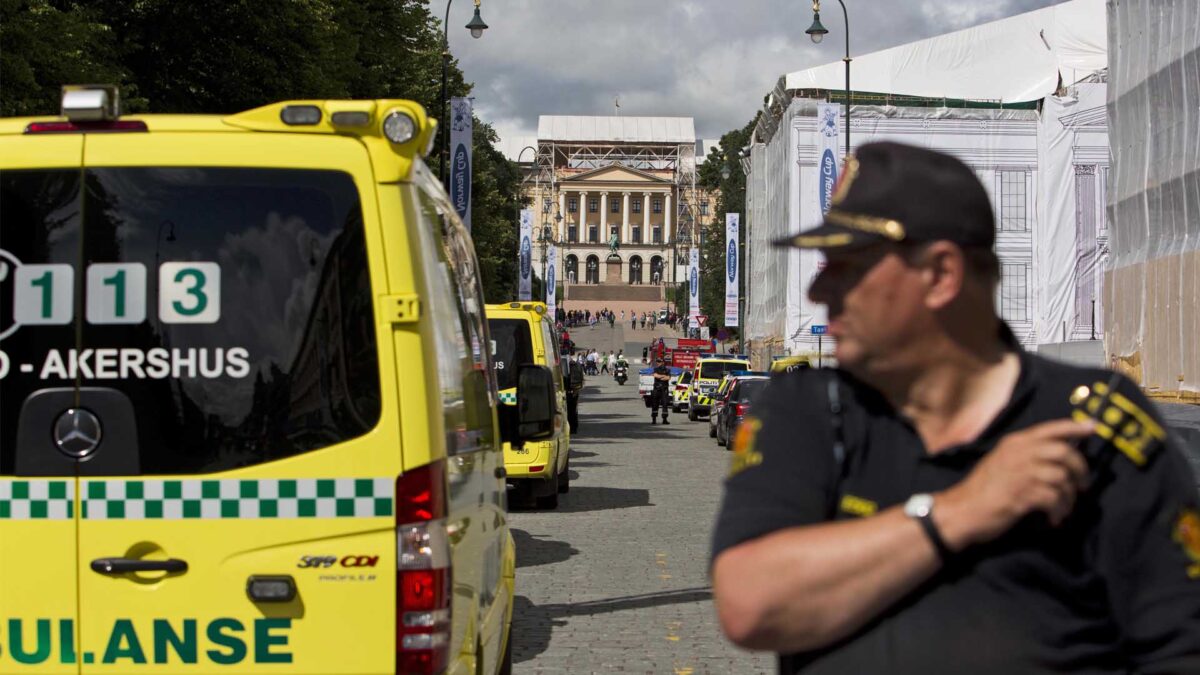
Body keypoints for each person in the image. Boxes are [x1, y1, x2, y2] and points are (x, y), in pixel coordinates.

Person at [711, 142, 1200, 673]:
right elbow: (750, 604)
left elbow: (1178, 645)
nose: (819, 289)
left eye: (848, 266)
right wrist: (962, 511)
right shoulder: (806, 409)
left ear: (942, 274)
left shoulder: (1092, 425)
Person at [649, 357, 672, 425]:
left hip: (664, 390)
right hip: (656, 389)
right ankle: (654, 419)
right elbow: (656, 376)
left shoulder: (667, 370)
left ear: (663, 362)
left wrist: (662, 376)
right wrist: (663, 376)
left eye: (659, 361)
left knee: (665, 404)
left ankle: (664, 419)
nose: (657, 363)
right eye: (657, 361)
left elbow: (668, 378)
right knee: (655, 404)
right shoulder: (655, 369)